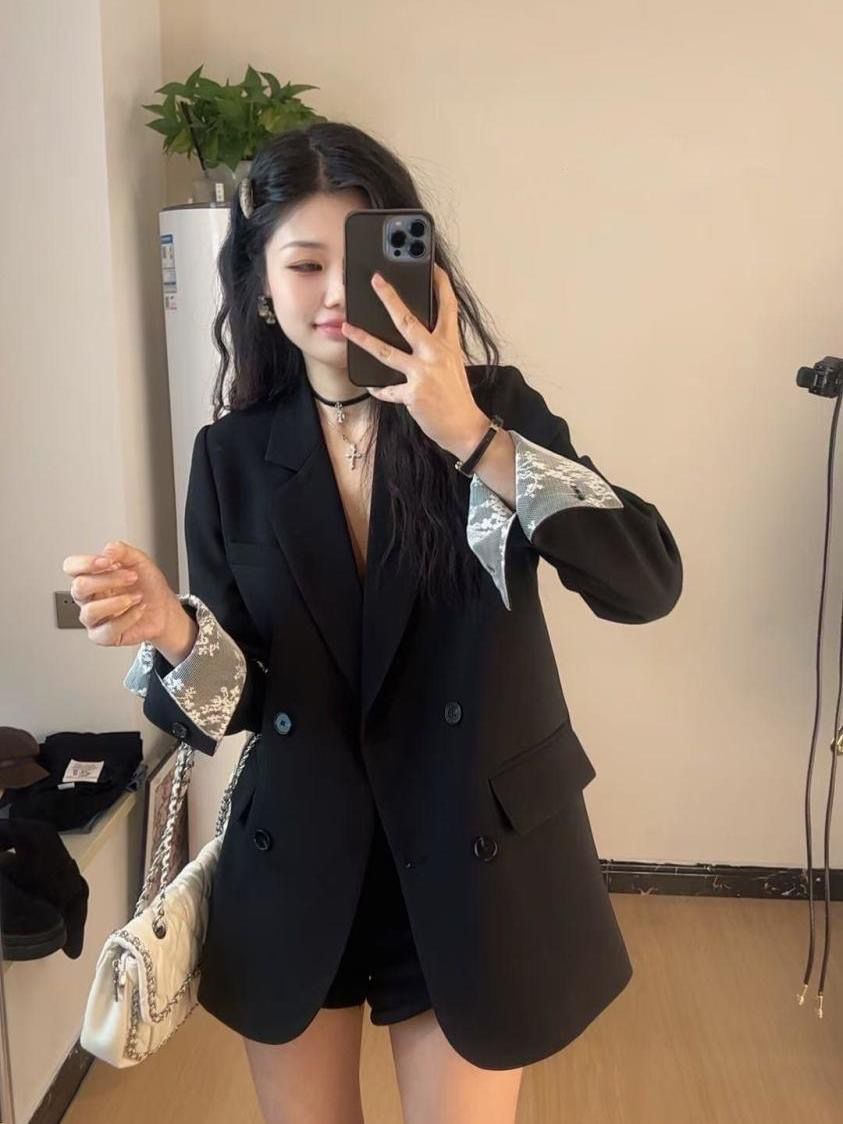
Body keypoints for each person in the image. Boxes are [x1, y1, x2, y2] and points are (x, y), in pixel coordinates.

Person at [63, 121, 683, 1124]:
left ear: (415, 267)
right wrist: (173, 630)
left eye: (357, 261)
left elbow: (644, 580)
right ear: (260, 286)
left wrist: (470, 434)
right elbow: (240, 704)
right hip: (301, 862)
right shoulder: (232, 456)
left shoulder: (495, 413)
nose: (335, 294)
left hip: (472, 858)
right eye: (305, 264)